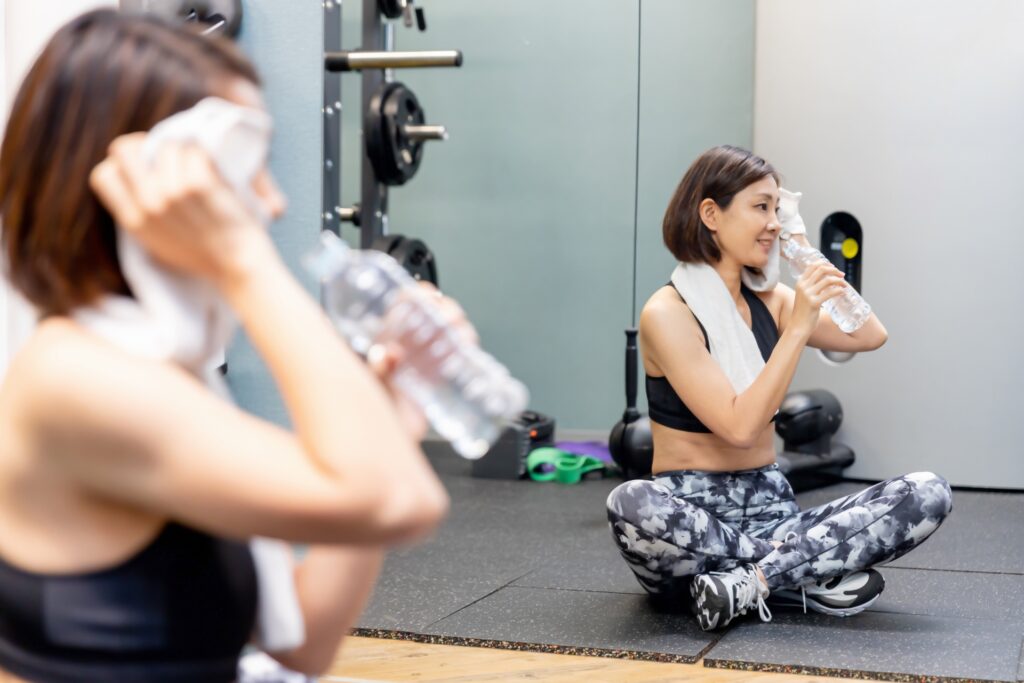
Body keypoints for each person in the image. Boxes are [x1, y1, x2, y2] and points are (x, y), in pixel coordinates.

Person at [0, 9, 460, 681]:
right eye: (244, 169)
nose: (271, 203)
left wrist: (390, 411)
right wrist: (242, 259)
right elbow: (395, 500)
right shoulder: (76, 377)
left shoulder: (161, 366)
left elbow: (298, 647)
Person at [605, 145, 952, 631]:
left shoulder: (774, 299)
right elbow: (740, 427)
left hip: (773, 509)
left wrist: (800, 249)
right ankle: (804, 569)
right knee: (631, 505)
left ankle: (753, 584)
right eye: (760, 208)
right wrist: (798, 328)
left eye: (778, 209)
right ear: (711, 213)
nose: (774, 222)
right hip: (691, 523)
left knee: (929, 492)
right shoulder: (668, 312)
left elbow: (869, 334)